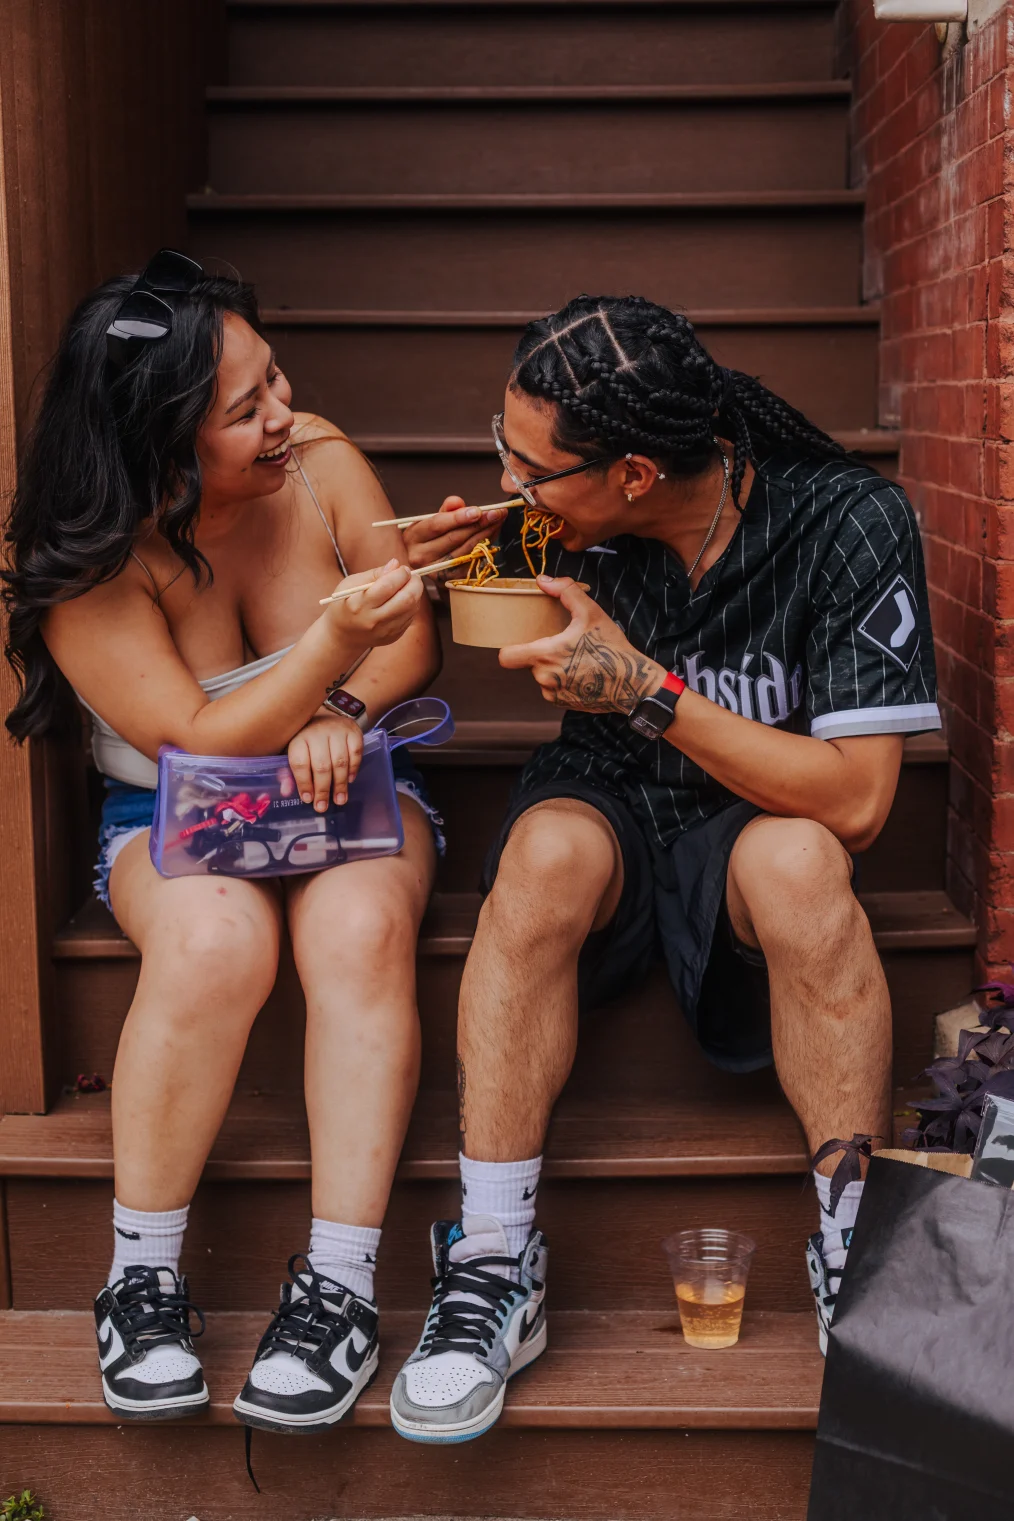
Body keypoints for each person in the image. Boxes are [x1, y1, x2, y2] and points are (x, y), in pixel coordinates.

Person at [388, 294, 941, 1443]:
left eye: (528, 464)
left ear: (635, 472)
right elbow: (486, 574)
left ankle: (854, 1237)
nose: (510, 480)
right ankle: (494, 1258)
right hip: (610, 808)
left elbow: (861, 802)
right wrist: (428, 568)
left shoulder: (849, 521)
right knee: (539, 856)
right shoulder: (562, 522)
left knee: (801, 864)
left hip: (755, 825)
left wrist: (641, 687)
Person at [1, 251, 494, 1432]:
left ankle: (337, 1286)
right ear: (163, 439)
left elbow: (410, 643)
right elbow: (204, 740)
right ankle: (145, 1274)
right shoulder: (95, 563)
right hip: (170, 808)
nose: (286, 416)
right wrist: (334, 649)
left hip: (357, 788)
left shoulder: (318, 463)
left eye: (276, 381)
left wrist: (343, 708)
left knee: (364, 924)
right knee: (218, 946)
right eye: (246, 408)